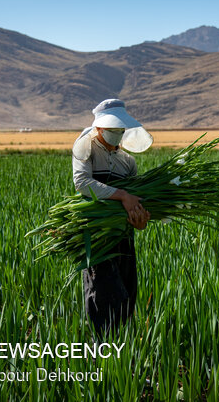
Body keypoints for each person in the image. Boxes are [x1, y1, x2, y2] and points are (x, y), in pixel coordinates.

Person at [72, 98, 153, 339]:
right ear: (98, 129)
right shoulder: (85, 149)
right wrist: (122, 195)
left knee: (127, 294)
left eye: (120, 130)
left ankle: (121, 356)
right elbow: (82, 183)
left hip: (122, 239)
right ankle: (102, 355)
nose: (117, 134)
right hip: (96, 237)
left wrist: (140, 220)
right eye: (112, 130)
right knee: (103, 294)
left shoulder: (128, 161)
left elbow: (136, 205)